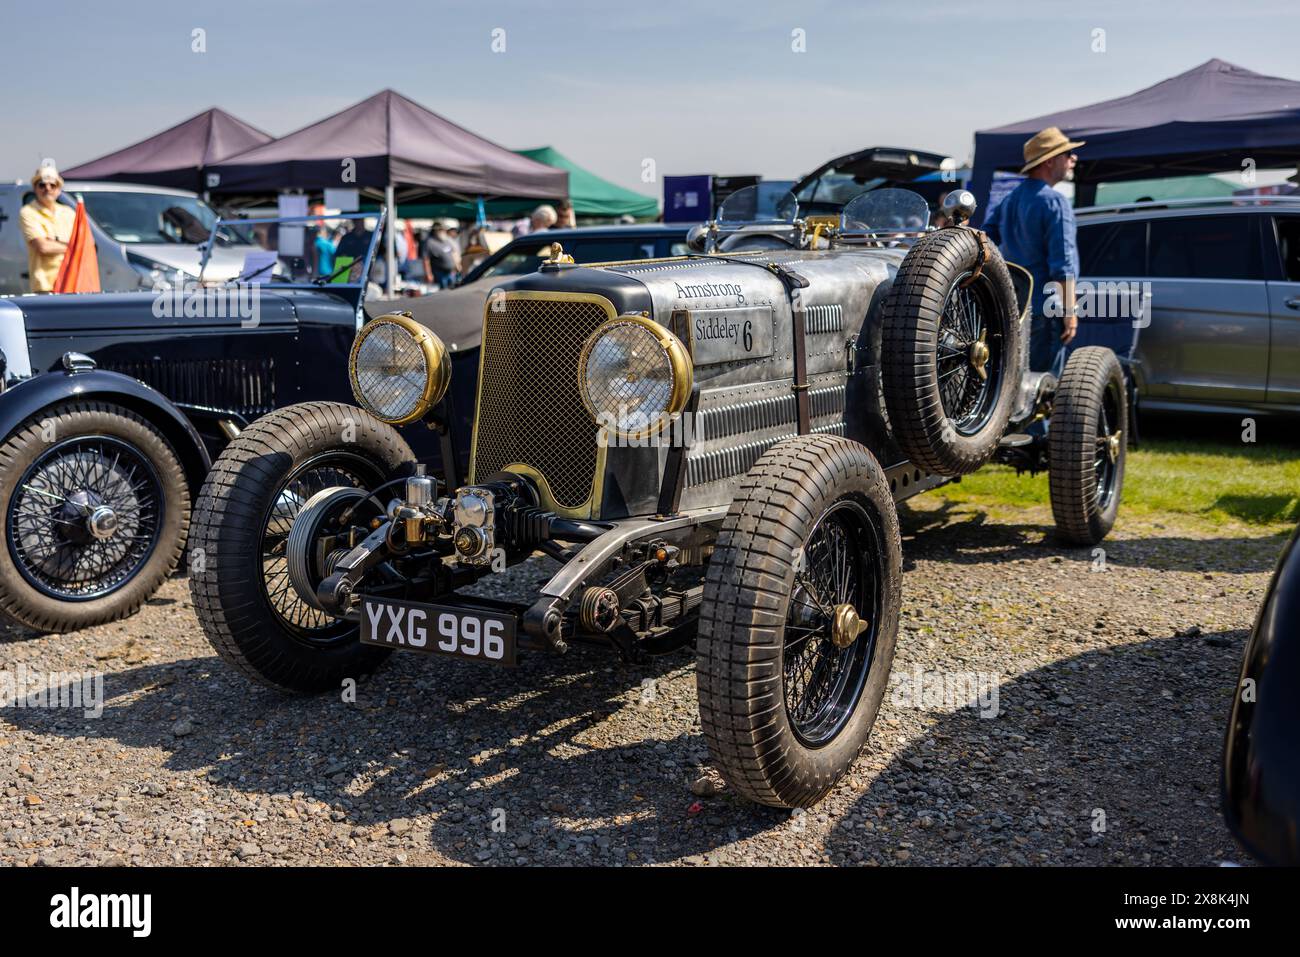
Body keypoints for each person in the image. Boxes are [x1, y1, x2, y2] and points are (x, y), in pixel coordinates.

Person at [981, 127, 1083, 372]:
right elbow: (1063, 264)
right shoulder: (1055, 202)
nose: (1074, 159)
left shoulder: (1011, 199)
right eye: (1068, 153)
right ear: (1049, 161)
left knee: (1012, 382)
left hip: (1011, 305)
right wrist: (1070, 311)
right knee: (1042, 388)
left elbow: (985, 240)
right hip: (1044, 308)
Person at [19, 163, 76, 293]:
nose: (47, 188)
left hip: (71, 282)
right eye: (42, 185)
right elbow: (43, 247)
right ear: (35, 188)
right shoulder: (28, 212)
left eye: (52, 185)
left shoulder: (69, 213)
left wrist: (54, 243)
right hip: (46, 287)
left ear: (59, 189)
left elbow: (85, 245)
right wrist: (71, 247)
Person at [422, 220, 461, 288]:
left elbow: (452, 253)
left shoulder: (446, 240)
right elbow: (426, 259)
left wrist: (456, 265)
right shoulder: (429, 242)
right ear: (435, 231)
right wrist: (428, 274)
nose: (443, 231)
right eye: (440, 229)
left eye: (443, 229)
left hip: (451, 272)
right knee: (443, 293)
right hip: (439, 273)